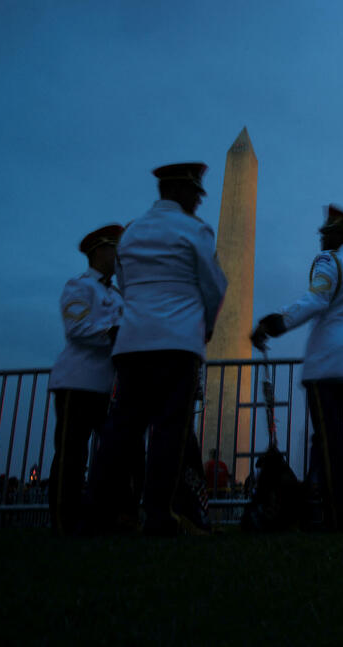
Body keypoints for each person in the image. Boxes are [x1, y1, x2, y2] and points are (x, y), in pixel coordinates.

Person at [85, 162, 227, 536]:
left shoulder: (131, 232)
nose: (199, 200)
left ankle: (95, 513)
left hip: (132, 344)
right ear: (179, 191)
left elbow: (125, 281)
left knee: (120, 430)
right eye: (195, 193)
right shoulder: (195, 230)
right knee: (170, 429)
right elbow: (214, 285)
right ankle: (159, 514)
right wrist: (207, 326)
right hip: (177, 343)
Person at [251, 204, 343, 531]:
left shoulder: (329, 261)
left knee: (327, 442)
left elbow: (316, 300)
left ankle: (337, 517)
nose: (321, 238)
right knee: (334, 440)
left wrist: (275, 323)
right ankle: (322, 512)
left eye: (325, 232)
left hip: (326, 365)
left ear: (338, 235)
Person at [47, 224, 124, 536]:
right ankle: (64, 522)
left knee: (113, 454)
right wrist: (113, 334)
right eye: (115, 250)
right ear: (99, 252)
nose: (119, 257)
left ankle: (105, 517)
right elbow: (77, 329)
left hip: (106, 387)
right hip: (77, 383)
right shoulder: (78, 287)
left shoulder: (117, 295)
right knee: (71, 455)